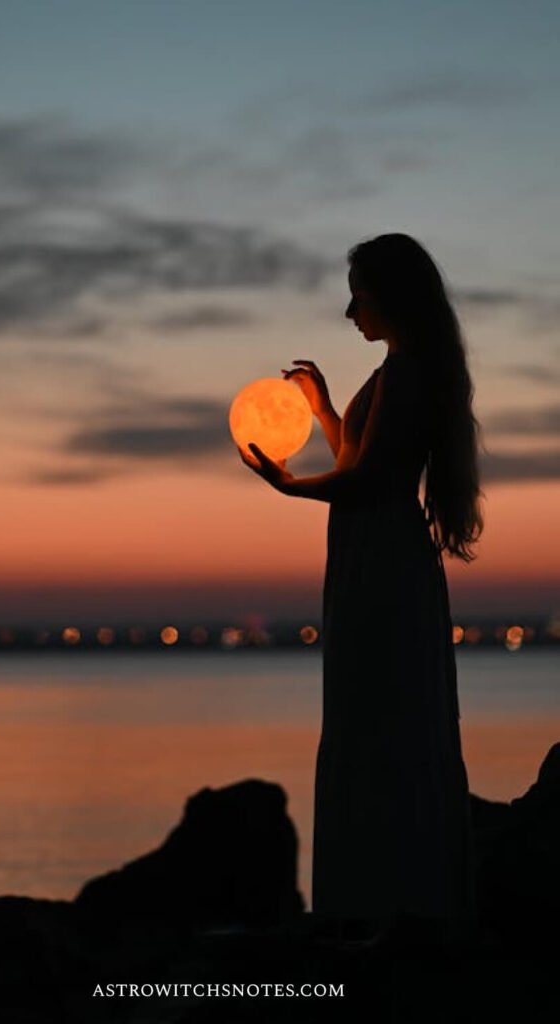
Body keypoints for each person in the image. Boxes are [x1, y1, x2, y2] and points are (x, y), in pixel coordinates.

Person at [238, 233, 483, 947]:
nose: (349, 311)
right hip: (370, 552)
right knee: (372, 712)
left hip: (380, 557)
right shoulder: (399, 369)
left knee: (377, 715)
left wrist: (288, 485)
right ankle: (383, 895)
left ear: (392, 298)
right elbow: (362, 456)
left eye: (361, 296)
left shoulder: (407, 372)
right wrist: (320, 411)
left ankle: (386, 898)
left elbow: (370, 480)